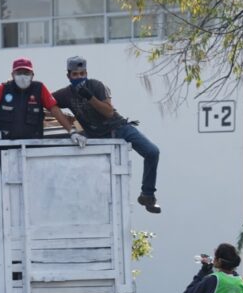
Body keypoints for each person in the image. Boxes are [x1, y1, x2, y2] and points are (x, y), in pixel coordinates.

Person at [53, 56, 162, 214]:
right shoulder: (66, 94)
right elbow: (48, 102)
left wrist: (89, 96)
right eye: (75, 75)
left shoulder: (96, 86)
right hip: (93, 134)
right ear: (68, 76)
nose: (79, 77)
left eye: (82, 73)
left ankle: (148, 195)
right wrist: (71, 130)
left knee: (152, 152)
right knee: (58, 146)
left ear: (87, 73)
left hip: (117, 128)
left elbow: (109, 112)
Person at [0, 57, 85, 148]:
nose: (23, 76)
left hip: (32, 147)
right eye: (19, 72)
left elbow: (55, 110)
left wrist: (72, 131)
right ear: (12, 75)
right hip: (4, 146)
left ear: (32, 75)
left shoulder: (39, 89)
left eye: (26, 73)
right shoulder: (3, 89)